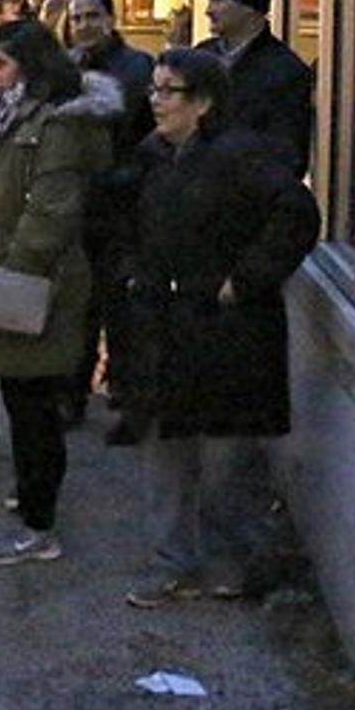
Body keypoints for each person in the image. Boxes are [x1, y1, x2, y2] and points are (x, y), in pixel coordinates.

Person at [124, 48, 320, 608]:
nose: (156, 101)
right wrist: (133, 275)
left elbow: (298, 215)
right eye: (154, 90)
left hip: (225, 332)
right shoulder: (152, 156)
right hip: (164, 326)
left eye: (169, 91)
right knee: (164, 453)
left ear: (204, 102)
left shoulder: (242, 157)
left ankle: (232, 563)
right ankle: (171, 565)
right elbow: (126, 224)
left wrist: (246, 280)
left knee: (224, 459)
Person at [0, 19, 120, 567]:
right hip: (11, 275)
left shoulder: (57, 123)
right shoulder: (14, 114)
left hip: (35, 285)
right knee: (24, 402)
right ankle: (32, 508)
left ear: (32, 66)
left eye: (0, 63)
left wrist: (12, 276)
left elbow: (50, 210)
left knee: (34, 407)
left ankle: (38, 525)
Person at [66, 0, 156, 439]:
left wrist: (124, 182)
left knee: (125, 313)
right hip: (77, 209)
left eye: (92, 15)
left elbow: (151, 141)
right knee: (78, 307)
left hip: (125, 209)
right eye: (76, 17)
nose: (83, 24)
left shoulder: (139, 68)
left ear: (111, 18)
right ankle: (74, 394)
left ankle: (129, 403)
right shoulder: (67, 67)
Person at [196, 0, 314, 175]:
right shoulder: (201, 56)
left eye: (218, 0)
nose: (208, 10)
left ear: (248, 6)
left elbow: (289, 155)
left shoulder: (285, 72)